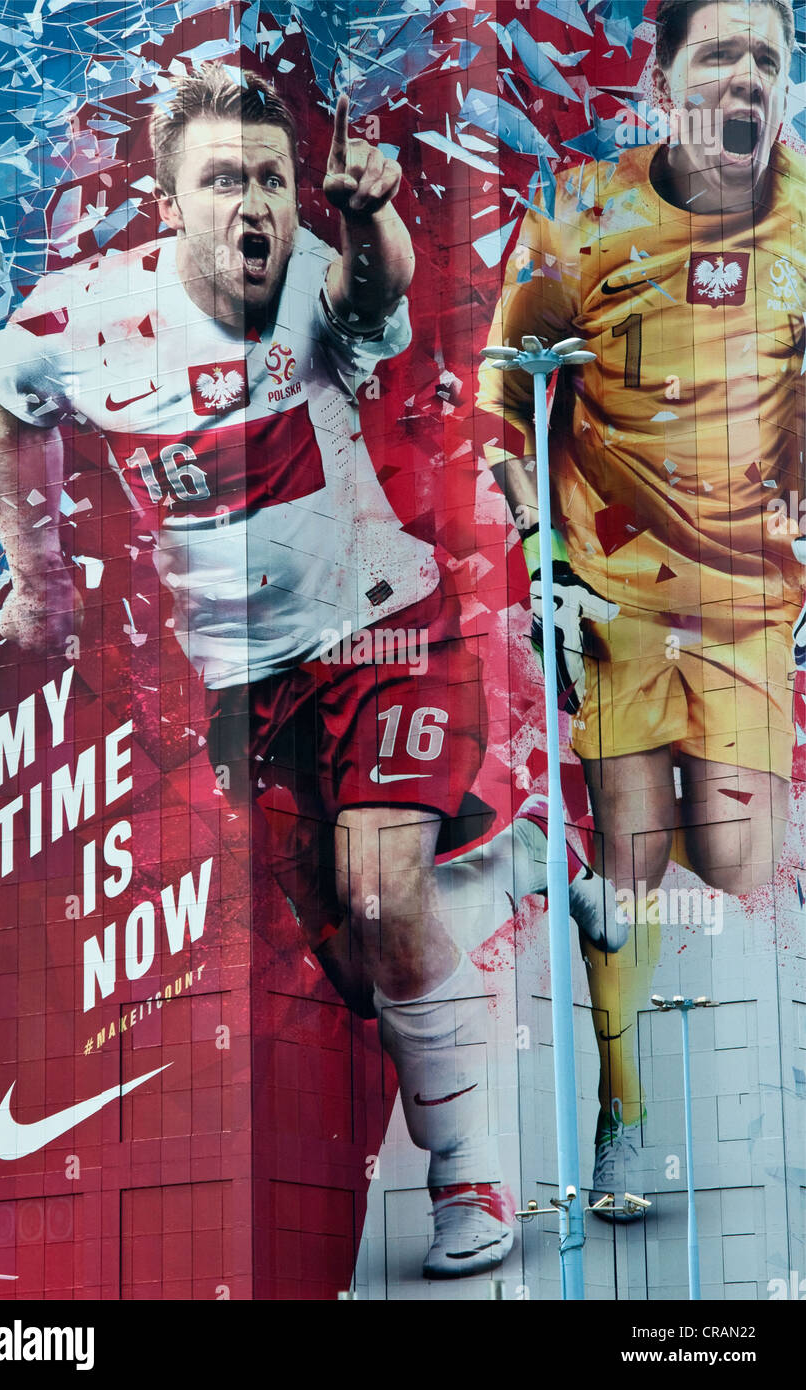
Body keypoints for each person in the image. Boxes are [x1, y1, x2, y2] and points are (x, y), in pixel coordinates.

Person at [0, 61, 604, 1279]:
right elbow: (4, 417)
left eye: (269, 176)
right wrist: (41, 582)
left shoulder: (318, 273)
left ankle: (467, 1176)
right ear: (171, 204)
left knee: (376, 890)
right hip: (246, 695)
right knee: (343, 957)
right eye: (223, 180)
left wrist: (367, 215)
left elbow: (380, 306)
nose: (252, 202)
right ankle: (508, 863)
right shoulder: (77, 321)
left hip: (384, 638)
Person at [479, 0, 806, 1215]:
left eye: (766, 58)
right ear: (663, 81)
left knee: (737, 857)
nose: (745, 77)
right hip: (609, 590)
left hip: (748, 600)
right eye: (717, 53)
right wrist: (536, 554)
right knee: (631, 855)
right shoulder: (578, 209)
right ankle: (622, 1121)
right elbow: (505, 398)